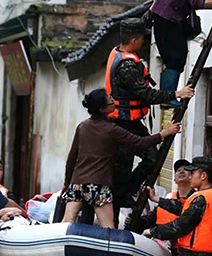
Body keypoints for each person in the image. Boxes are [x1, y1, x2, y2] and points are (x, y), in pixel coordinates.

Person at [105, 18, 194, 210]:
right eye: (143, 38)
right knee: (124, 166)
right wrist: (176, 93)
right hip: (123, 123)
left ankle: (127, 194)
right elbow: (145, 93)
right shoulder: (127, 66)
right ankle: (122, 199)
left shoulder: (117, 52)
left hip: (131, 121)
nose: (145, 42)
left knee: (150, 158)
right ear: (134, 40)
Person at [62, 89, 181, 228]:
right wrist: (165, 133)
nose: (113, 100)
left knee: (67, 223)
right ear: (102, 109)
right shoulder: (111, 129)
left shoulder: (82, 127)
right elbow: (140, 142)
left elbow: (72, 158)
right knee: (108, 228)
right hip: (98, 185)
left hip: (76, 184)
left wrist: (67, 183)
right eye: (109, 99)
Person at [144, 156, 212, 256]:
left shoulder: (201, 199)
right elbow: (182, 207)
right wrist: (157, 199)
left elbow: (180, 226)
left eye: (192, 173)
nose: (189, 177)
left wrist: (151, 232)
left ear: (203, 176)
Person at [127, 159, 196, 233]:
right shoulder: (168, 197)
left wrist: (155, 198)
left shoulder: (198, 198)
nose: (181, 171)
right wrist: (134, 221)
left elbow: (184, 210)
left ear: (192, 177)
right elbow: (150, 220)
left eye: (185, 169)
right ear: (174, 180)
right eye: (178, 170)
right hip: (160, 242)